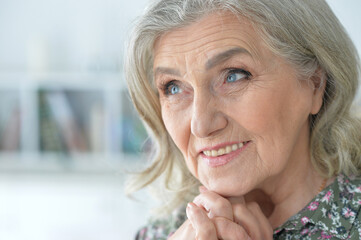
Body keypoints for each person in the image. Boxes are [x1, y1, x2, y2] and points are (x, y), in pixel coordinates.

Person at [125, 0, 361, 239]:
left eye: (234, 76)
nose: (201, 125)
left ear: (314, 85)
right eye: (173, 88)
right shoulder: (161, 232)